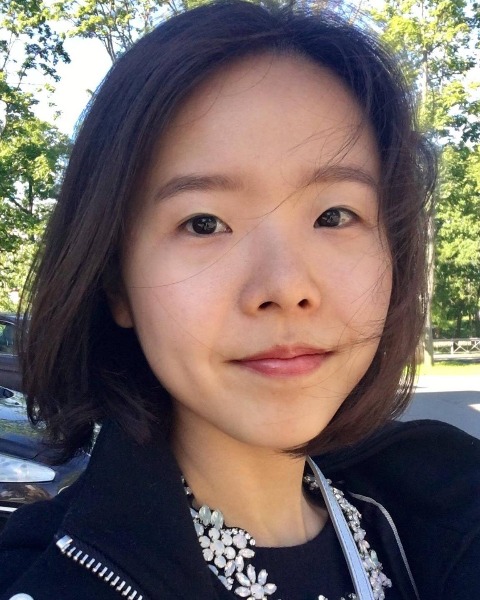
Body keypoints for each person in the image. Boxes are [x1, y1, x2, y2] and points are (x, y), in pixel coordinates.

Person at [0, 2, 479, 599]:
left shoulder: (445, 515)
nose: (286, 287)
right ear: (116, 282)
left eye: (335, 215)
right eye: (204, 223)